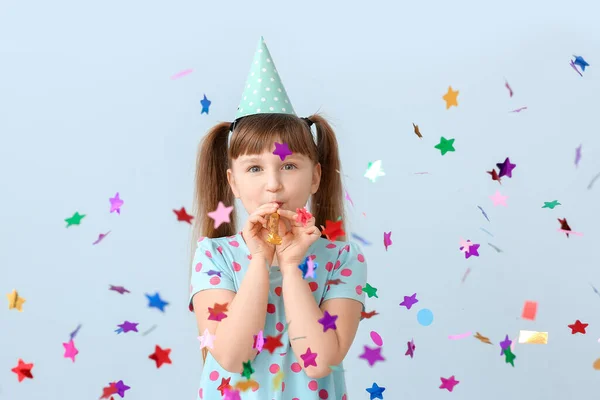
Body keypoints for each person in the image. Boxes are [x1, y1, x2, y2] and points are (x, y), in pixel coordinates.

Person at [188, 36, 367, 400]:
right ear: (232, 182)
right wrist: (259, 260)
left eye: (288, 165)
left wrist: (290, 267)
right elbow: (234, 358)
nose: (273, 185)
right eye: (254, 168)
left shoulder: (342, 260)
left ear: (315, 176)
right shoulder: (214, 257)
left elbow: (319, 363)